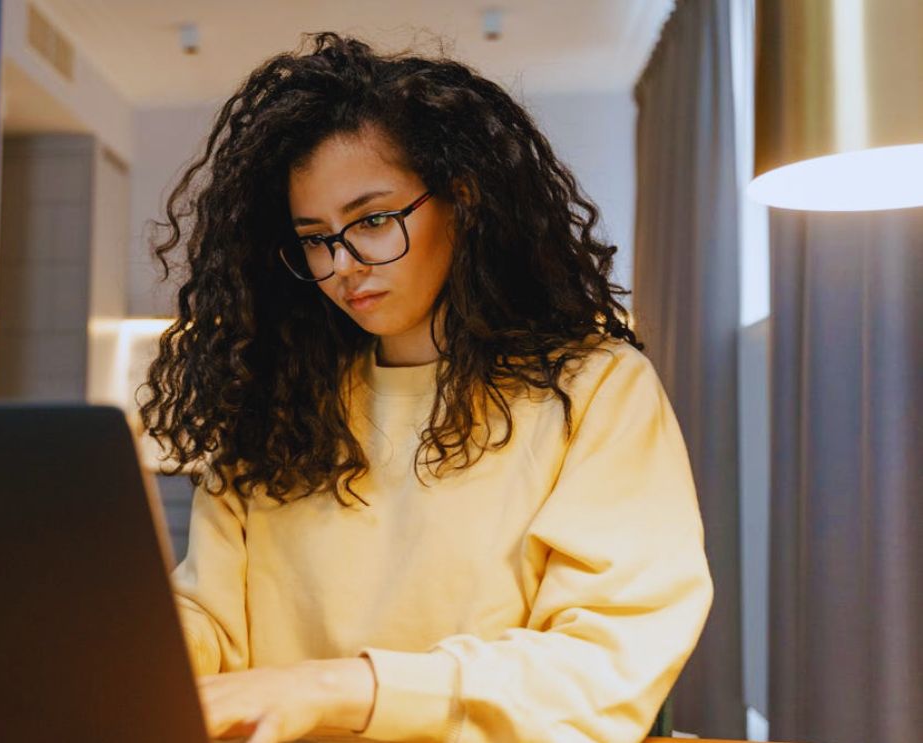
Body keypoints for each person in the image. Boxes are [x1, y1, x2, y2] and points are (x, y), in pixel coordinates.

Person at [136, 32, 713, 743]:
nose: (342, 264)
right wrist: (117, 658)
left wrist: (337, 687)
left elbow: (602, 663)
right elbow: (211, 625)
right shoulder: (276, 402)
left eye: (373, 220)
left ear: (462, 200)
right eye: (315, 237)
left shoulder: (593, 389)